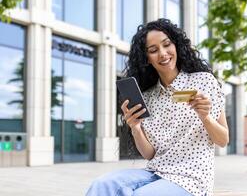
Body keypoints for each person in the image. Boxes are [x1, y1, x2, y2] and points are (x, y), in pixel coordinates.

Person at [86, 18, 229, 196]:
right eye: (153, 50)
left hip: (191, 179)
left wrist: (205, 117)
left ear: (176, 46)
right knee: (102, 185)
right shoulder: (148, 97)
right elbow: (150, 154)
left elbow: (223, 140)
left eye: (167, 44)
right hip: (156, 172)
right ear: (147, 59)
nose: (162, 53)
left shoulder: (204, 81)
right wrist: (135, 128)